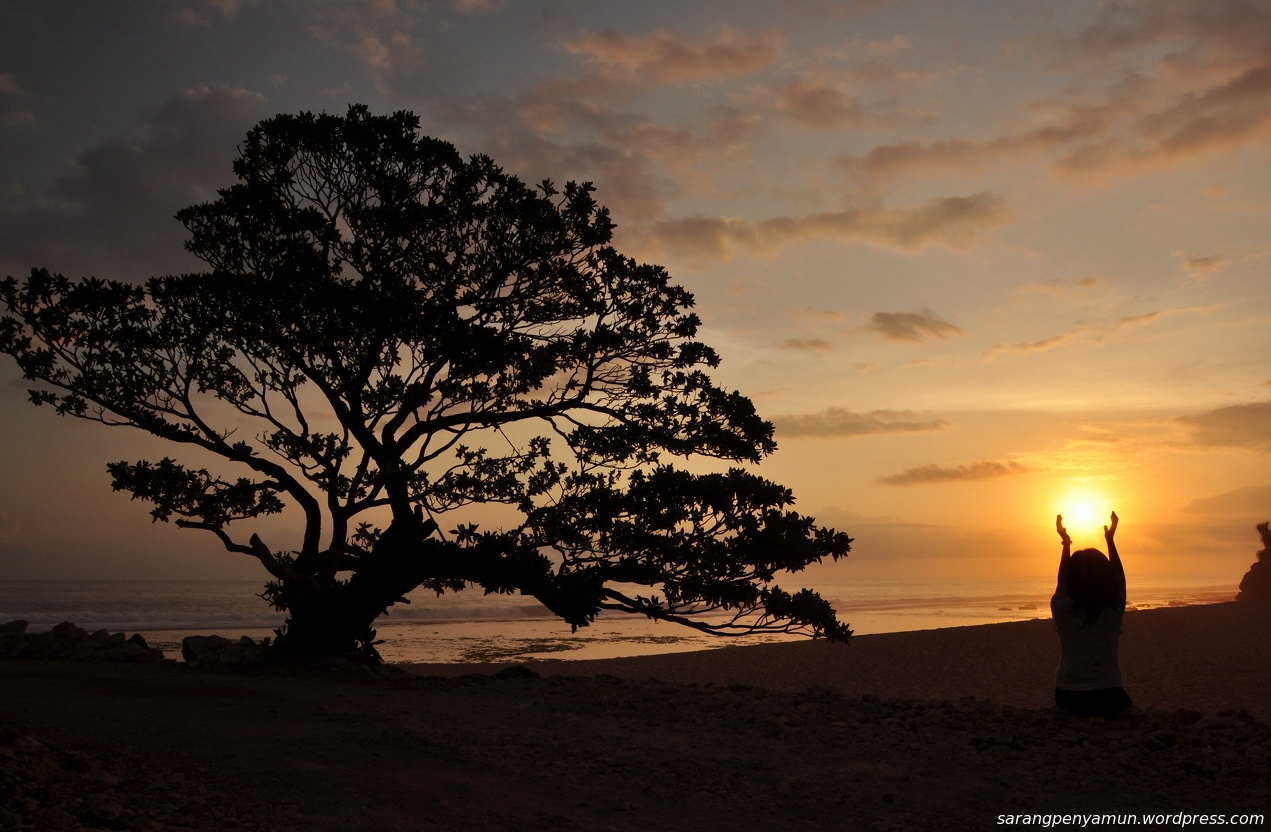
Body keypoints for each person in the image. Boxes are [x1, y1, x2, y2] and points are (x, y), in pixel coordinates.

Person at [1051, 511, 1132, 718]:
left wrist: (1066, 543)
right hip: (1109, 697)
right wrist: (1110, 540)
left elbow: (1062, 583)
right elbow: (1120, 581)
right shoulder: (1114, 610)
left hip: (1067, 696)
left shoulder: (1061, 608)